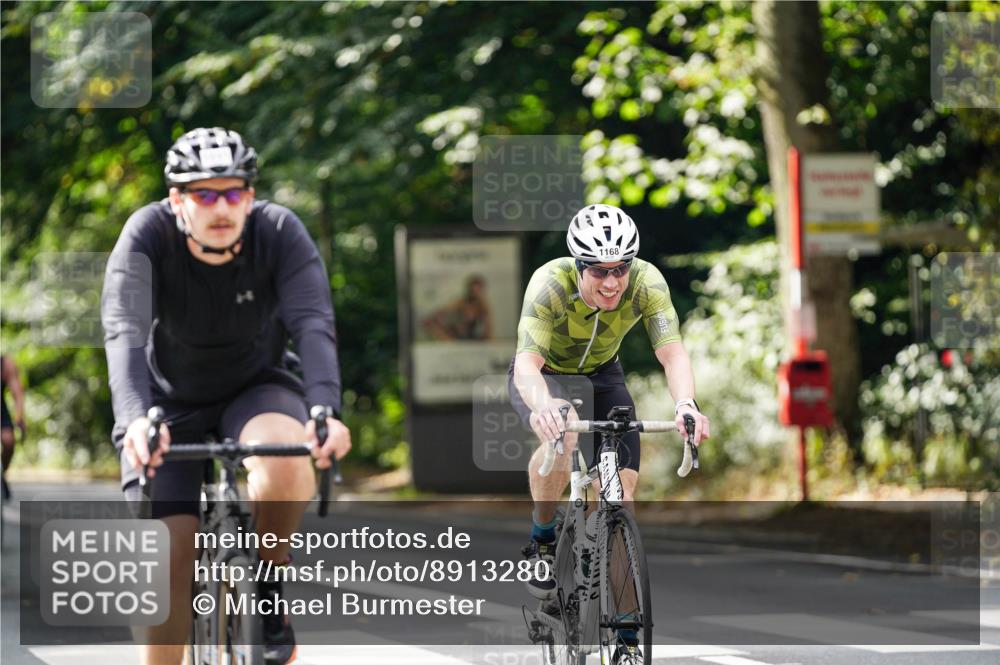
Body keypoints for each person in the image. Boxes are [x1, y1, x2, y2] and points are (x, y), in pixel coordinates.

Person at [101, 127, 351, 665]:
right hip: (166, 402)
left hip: (255, 385)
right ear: (177, 201)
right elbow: (124, 330)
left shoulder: (280, 231)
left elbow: (312, 322)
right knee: (168, 563)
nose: (221, 207)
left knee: (286, 461)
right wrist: (134, 420)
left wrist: (326, 409)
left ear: (251, 197)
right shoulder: (147, 234)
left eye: (233, 192)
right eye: (203, 194)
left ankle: (266, 590)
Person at [508, 204, 710, 664]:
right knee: (561, 438)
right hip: (548, 375)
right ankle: (542, 536)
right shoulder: (549, 284)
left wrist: (686, 405)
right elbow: (526, 366)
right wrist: (544, 406)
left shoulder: (647, 282)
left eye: (620, 269)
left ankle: (625, 635)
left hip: (603, 374)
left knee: (619, 495)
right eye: (598, 271)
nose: (612, 282)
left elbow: (673, 354)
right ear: (579, 266)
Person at [421, 274, 494, 341]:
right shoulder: (460, 302)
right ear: (469, 290)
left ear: (482, 290)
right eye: (473, 290)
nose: (475, 293)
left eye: (478, 290)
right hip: (455, 336)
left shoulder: (483, 306)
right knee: (430, 323)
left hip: (470, 338)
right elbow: (437, 314)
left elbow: (488, 329)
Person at [1, 354, 27, 500]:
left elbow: (17, 392)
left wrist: (19, 417)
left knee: (9, 442)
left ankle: (1, 474)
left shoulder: (5, 364)